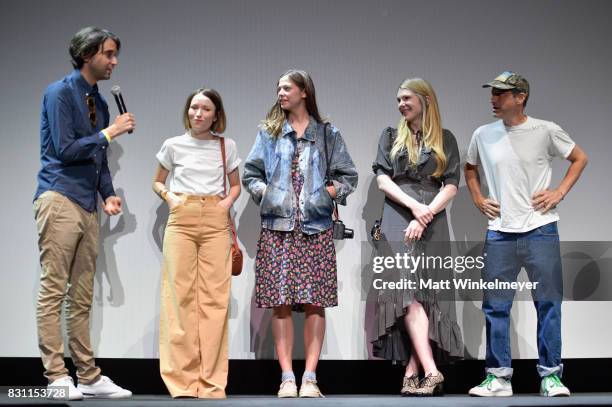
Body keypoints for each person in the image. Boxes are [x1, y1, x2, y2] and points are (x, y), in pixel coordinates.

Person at [465, 71, 588, 397]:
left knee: (548, 303)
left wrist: (558, 192)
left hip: (540, 229)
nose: (494, 98)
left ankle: (551, 376)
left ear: (520, 97)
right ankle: (499, 378)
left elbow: (579, 157)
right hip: (500, 233)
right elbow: (470, 166)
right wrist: (477, 197)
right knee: (496, 306)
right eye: (492, 93)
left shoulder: (545, 130)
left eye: (501, 93)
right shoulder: (483, 134)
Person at [33, 26, 134, 400]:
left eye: (113, 54)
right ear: (87, 54)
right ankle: (57, 377)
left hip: (88, 203)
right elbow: (64, 148)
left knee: (82, 294)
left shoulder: (101, 102)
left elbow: (98, 157)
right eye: (108, 53)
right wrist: (109, 133)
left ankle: (89, 377)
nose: (114, 61)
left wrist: (107, 194)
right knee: (54, 289)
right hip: (58, 196)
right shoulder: (59, 93)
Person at [243, 69, 357, 398]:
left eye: (287, 88)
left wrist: (327, 194)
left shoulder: (326, 133)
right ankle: (286, 378)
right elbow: (251, 173)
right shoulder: (269, 132)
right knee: (280, 304)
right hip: (278, 228)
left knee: (314, 303)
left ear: (304, 91)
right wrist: (268, 195)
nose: (281, 93)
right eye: (278, 88)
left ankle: (310, 377)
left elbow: (348, 174)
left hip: (315, 227)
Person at [371, 77, 464, 396]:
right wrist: (415, 208)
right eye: (398, 99)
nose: (401, 104)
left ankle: (412, 369)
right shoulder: (390, 135)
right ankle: (432, 371)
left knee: (426, 295)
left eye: (407, 98)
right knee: (405, 293)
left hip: (433, 217)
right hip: (399, 213)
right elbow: (383, 181)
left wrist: (427, 214)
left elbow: (451, 184)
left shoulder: (446, 139)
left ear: (426, 100)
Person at [153, 87, 241, 398]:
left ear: (216, 115)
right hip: (182, 218)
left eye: (205, 109)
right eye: (193, 108)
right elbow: (158, 181)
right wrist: (171, 198)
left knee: (215, 301)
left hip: (215, 219)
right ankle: (182, 383)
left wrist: (224, 205)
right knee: (180, 300)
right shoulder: (173, 145)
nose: (198, 114)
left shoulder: (225, 145)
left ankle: (212, 383)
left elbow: (235, 186)